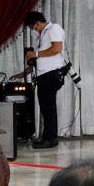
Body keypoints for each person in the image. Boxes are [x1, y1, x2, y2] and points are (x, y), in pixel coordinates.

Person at [22, 10, 68, 149]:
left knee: (49, 107)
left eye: (33, 27)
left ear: (37, 23)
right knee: (45, 107)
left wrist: (35, 54)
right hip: (43, 75)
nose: (34, 30)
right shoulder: (42, 35)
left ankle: (51, 138)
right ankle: (47, 136)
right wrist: (25, 71)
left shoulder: (54, 29)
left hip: (51, 74)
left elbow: (57, 48)